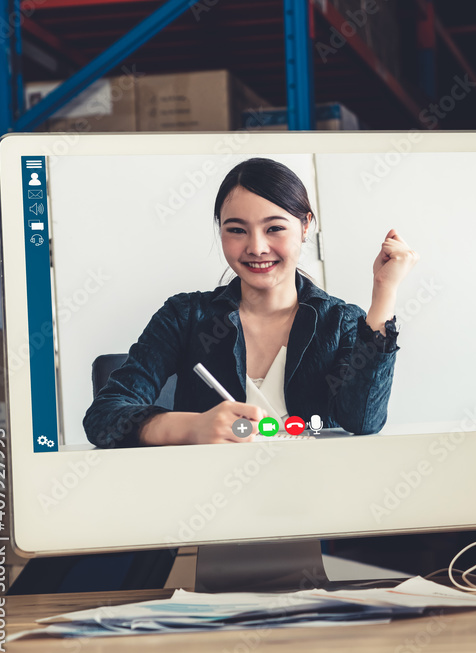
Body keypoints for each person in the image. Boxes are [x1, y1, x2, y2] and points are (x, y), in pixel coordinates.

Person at [84, 157, 419, 447]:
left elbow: (363, 421)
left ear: (305, 226)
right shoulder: (184, 317)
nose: (257, 247)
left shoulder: (341, 322)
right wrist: (192, 427)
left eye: (274, 228)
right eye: (236, 230)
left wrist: (383, 293)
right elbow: (104, 415)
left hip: (317, 498)